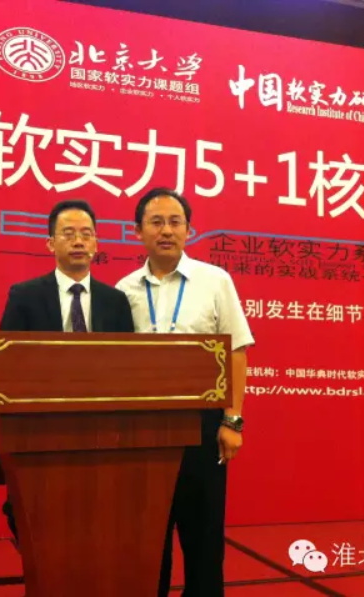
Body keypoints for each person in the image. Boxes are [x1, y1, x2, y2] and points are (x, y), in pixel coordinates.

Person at [116, 187, 254, 597]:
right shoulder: (123, 290)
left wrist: (232, 420)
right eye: (156, 222)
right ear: (137, 230)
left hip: (202, 425)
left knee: (204, 535)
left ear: (189, 230)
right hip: (143, 430)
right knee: (147, 535)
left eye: (175, 222)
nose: (166, 231)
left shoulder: (215, 281)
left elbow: (237, 351)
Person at [0, 198, 135, 540]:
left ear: (96, 244)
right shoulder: (25, 296)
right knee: (40, 514)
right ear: (50, 243)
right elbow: (6, 362)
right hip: (43, 422)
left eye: (86, 234)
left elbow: (128, 364)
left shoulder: (115, 301)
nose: (78, 241)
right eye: (68, 233)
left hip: (101, 424)